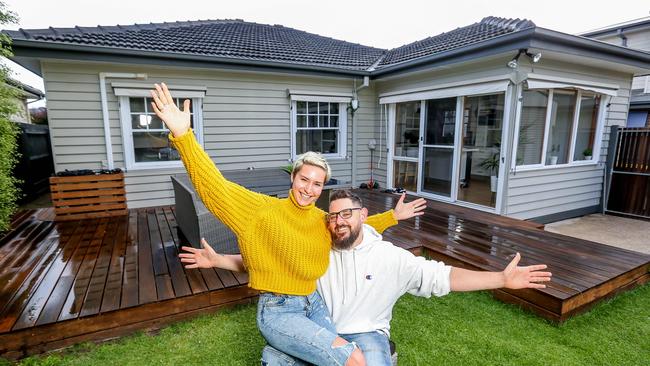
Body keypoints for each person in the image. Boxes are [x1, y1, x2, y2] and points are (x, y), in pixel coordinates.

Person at [150, 83, 426, 366]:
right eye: (304, 179)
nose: (309, 189)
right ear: (293, 178)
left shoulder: (322, 221)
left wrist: (393, 216)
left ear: (322, 188)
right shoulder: (261, 210)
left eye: (317, 184)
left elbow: (350, 224)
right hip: (278, 310)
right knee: (353, 358)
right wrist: (183, 136)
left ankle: (277, 358)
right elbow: (213, 187)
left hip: (315, 303)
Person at [196, 189, 553, 365]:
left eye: (347, 214)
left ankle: (384, 354)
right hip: (320, 330)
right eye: (332, 217)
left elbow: (444, 277)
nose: (339, 222)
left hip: (365, 333)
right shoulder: (319, 248)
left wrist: (501, 280)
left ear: (362, 215)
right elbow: (268, 267)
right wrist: (220, 261)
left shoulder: (391, 258)